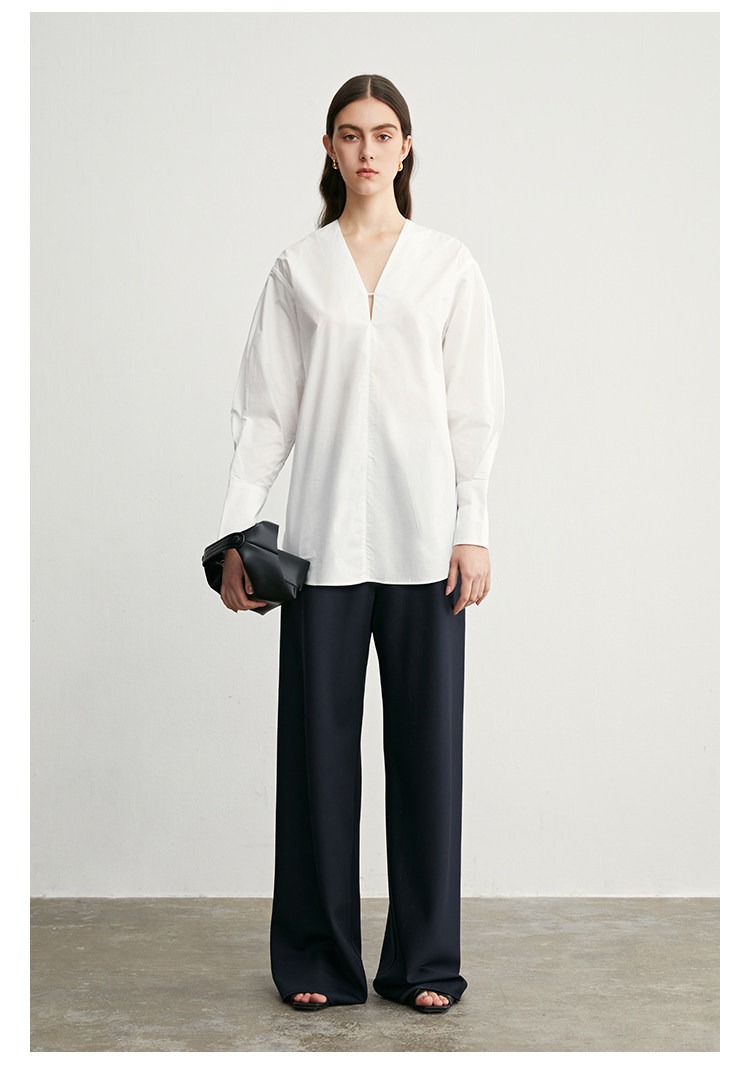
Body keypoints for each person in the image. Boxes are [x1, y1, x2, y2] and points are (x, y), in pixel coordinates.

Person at [216, 74, 505, 1014]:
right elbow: (265, 411)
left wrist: (474, 529)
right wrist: (238, 530)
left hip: (427, 547)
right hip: (323, 549)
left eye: (384, 133)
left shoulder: (449, 265)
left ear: (406, 147)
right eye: (351, 134)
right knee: (317, 764)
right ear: (330, 149)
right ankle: (317, 960)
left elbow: (473, 411)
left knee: (428, 762)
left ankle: (423, 962)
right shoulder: (299, 269)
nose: (368, 149)